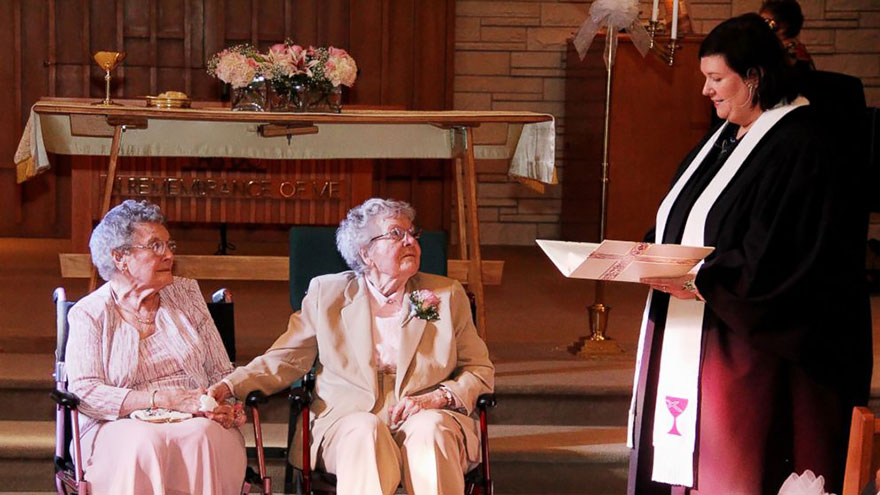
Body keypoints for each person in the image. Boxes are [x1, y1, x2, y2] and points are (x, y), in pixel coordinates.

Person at [626, 13, 871, 495]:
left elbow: (787, 256)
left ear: (755, 76)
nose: (706, 91)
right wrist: (648, 253)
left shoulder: (803, 145)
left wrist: (703, 278)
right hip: (696, 324)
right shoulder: (724, 136)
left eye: (717, 79)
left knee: (735, 466)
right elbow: (688, 213)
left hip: (755, 346)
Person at [208, 197, 495, 495]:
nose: (410, 241)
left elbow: (478, 369)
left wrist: (439, 398)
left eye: (412, 233)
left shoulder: (447, 295)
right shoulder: (327, 293)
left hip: (424, 412)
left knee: (431, 430)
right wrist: (230, 385)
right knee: (364, 431)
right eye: (396, 234)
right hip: (346, 419)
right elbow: (286, 358)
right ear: (366, 253)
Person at [65, 199, 247, 494]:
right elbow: (85, 393)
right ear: (120, 257)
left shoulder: (186, 294)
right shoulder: (89, 313)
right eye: (155, 246)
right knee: (143, 442)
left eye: (169, 245)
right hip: (117, 424)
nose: (169, 255)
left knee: (200, 436)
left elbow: (220, 371)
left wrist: (225, 403)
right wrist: (161, 399)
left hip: (195, 418)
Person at [760, 0, 816, 71]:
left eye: (767, 22)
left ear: (784, 25)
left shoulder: (789, 53)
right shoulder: (786, 49)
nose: (760, 27)